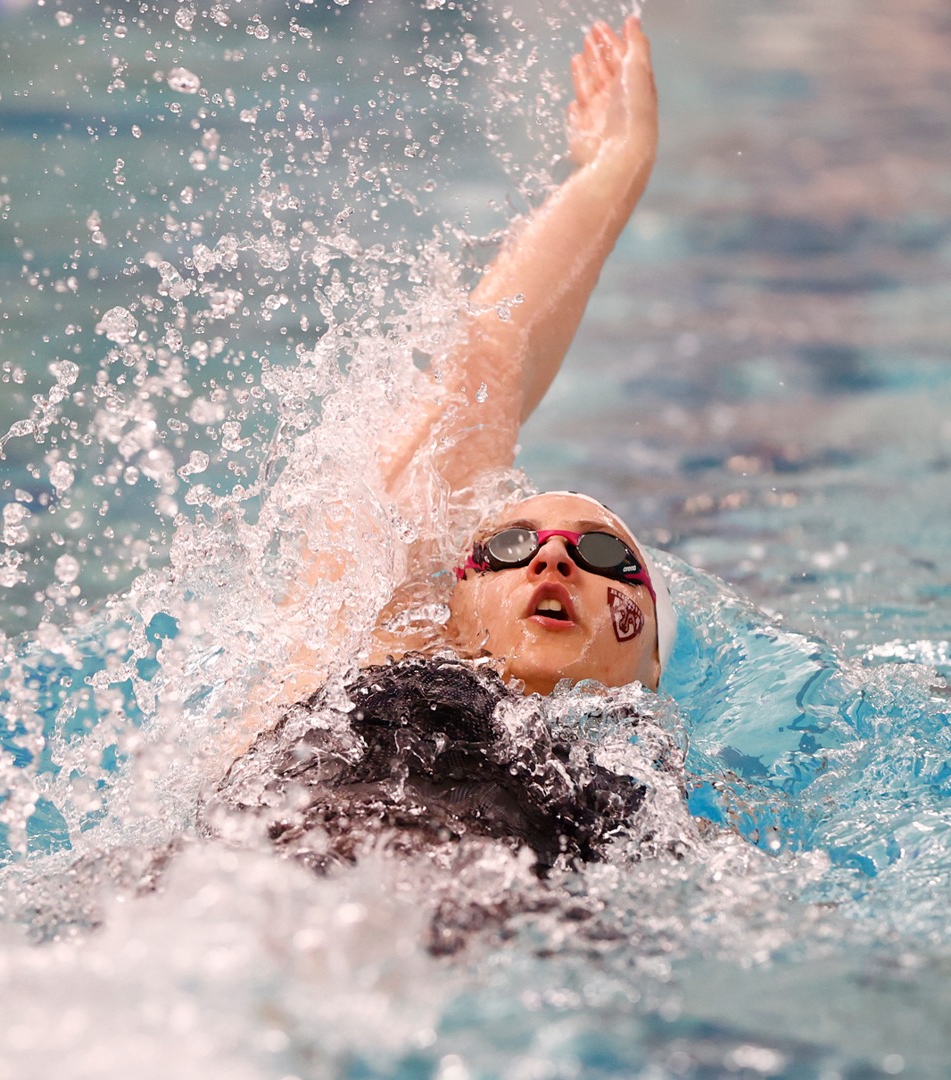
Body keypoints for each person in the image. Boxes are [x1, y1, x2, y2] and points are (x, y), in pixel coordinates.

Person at [212, 19, 678, 938]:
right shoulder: (367, 651)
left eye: (598, 553)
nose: (553, 564)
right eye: (510, 547)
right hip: (239, 902)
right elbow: (483, 367)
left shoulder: (643, 796)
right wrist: (613, 172)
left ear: (651, 657)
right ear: (452, 605)